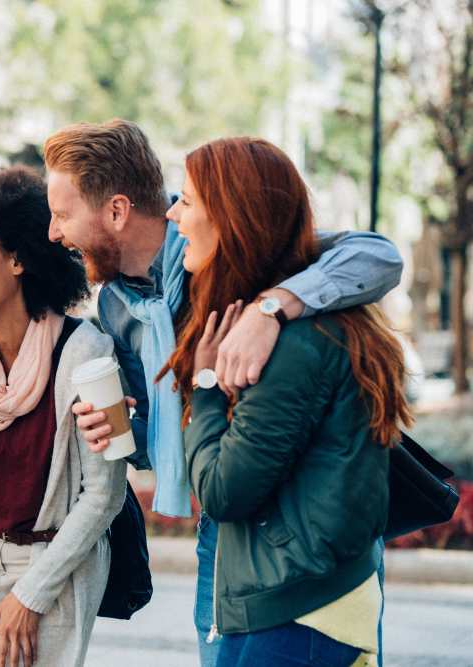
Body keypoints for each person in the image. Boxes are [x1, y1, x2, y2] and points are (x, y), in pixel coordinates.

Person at [43, 119, 403, 666]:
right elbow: (173, 431)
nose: (54, 232)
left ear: (116, 211)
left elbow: (377, 256)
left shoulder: (231, 247)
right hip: (227, 528)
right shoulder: (117, 307)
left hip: (296, 542)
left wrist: (273, 306)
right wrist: (126, 431)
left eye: (63, 214)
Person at [167, 136, 410, 666]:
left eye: (186, 201)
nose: (173, 216)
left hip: (298, 609)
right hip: (286, 598)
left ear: (232, 217)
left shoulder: (291, 342)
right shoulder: (267, 319)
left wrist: (207, 388)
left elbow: (223, 491)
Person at [0, 166, 126, 667]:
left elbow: (105, 493)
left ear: (16, 259)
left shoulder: (87, 351)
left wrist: (30, 596)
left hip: (57, 571)